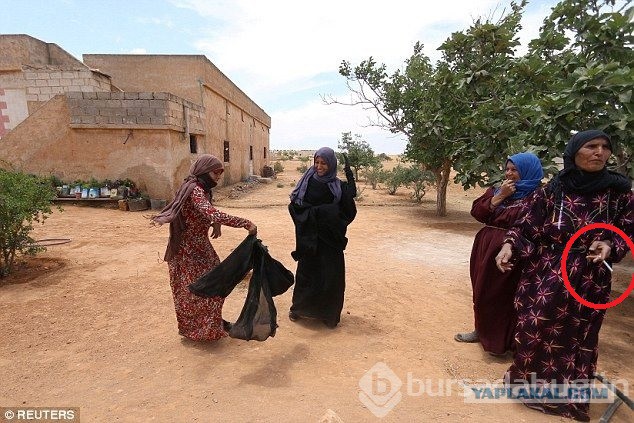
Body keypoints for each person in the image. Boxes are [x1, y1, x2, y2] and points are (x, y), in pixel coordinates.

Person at [495, 130, 633, 421]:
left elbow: (628, 228)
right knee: (534, 325)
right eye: (591, 146)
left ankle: (566, 400)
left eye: (605, 147)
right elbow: (525, 227)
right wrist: (508, 246)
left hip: (589, 275)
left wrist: (610, 244)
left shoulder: (620, 192)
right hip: (544, 271)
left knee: (577, 335)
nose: (599, 152)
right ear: (574, 152)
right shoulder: (552, 189)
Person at [152, 154, 257, 341]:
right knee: (194, 290)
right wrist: (244, 223)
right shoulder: (195, 190)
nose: (218, 176)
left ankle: (210, 324)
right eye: (215, 172)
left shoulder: (204, 190)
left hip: (201, 247)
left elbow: (206, 212)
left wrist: (213, 223)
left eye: (220, 172)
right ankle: (196, 330)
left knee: (214, 283)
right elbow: (211, 212)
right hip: (187, 251)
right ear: (203, 171)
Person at [455, 152, 543, 355]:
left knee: (506, 295)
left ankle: (504, 341)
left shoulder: (538, 196)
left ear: (528, 171)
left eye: (515, 170)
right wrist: (500, 196)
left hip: (517, 250)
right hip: (486, 246)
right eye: (508, 169)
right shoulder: (497, 190)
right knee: (482, 289)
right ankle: (481, 330)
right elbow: (477, 212)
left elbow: (533, 225)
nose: (510, 174)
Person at [288, 147, 357, 328]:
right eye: (317, 162)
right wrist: (315, 215)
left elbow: (348, 211)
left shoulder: (338, 186)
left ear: (331, 164)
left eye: (323, 163)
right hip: (310, 237)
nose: (319, 166)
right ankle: (299, 309)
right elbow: (295, 206)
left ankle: (328, 314)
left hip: (330, 239)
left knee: (330, 276)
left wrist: (329, 217)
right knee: (306, 273)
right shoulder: (306, 183)